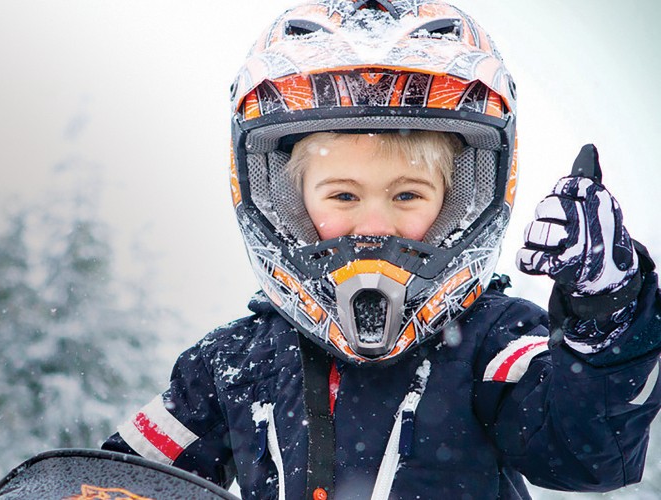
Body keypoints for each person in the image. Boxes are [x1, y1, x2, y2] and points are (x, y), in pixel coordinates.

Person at [103, 1, 661, 499]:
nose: (373, 224)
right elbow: (111, 482)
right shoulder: (232, 363)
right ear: (288, 202)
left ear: (457, 202)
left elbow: (590, 455)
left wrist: (605, 311)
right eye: (343, 194)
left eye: (407, 194)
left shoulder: (495, 341)